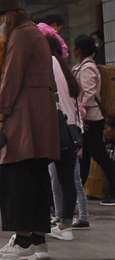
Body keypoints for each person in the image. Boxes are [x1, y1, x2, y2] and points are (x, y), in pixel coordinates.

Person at [0, 0, 60, 260]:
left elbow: (11, 79)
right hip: (38, 119)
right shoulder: (32, 33)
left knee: (16, 178)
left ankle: (23, 240)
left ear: (8, 16)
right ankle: (38, 239)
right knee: (36, 177)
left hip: (23, 118)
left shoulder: (20, 36)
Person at [46, 37, 82, 240]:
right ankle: (65, 225)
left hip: (55, 131)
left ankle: (47, 222)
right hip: (71, 131)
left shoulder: (48, 64)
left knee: (45, 178)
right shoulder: (65, 68)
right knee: (67, 180)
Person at [73, 36, 115, 205]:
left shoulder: (88, 68)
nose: (73, 50)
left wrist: (80, 114)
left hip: (91, 118)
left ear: (79, 50)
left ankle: (113, 190)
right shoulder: (83, 66)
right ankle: (78, 192)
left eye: (75, 47)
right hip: (88, 118)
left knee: (99, 155)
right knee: (85, 157)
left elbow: (89, 94)